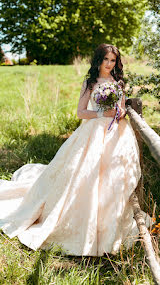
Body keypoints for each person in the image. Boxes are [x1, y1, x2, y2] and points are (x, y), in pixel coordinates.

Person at [0, 43, 146, 256]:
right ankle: (80, 222)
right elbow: (80, 112)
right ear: (98, 60)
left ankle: (109, 221)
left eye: (112, 60)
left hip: (117, 134)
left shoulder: (118, 82)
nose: (109, 64)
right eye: (105, 59)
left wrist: (120, 112)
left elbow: (121, 108)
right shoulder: (90, 82)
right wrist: (100, 115)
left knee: (113, 175)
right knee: (85, 173)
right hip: (94, 131)